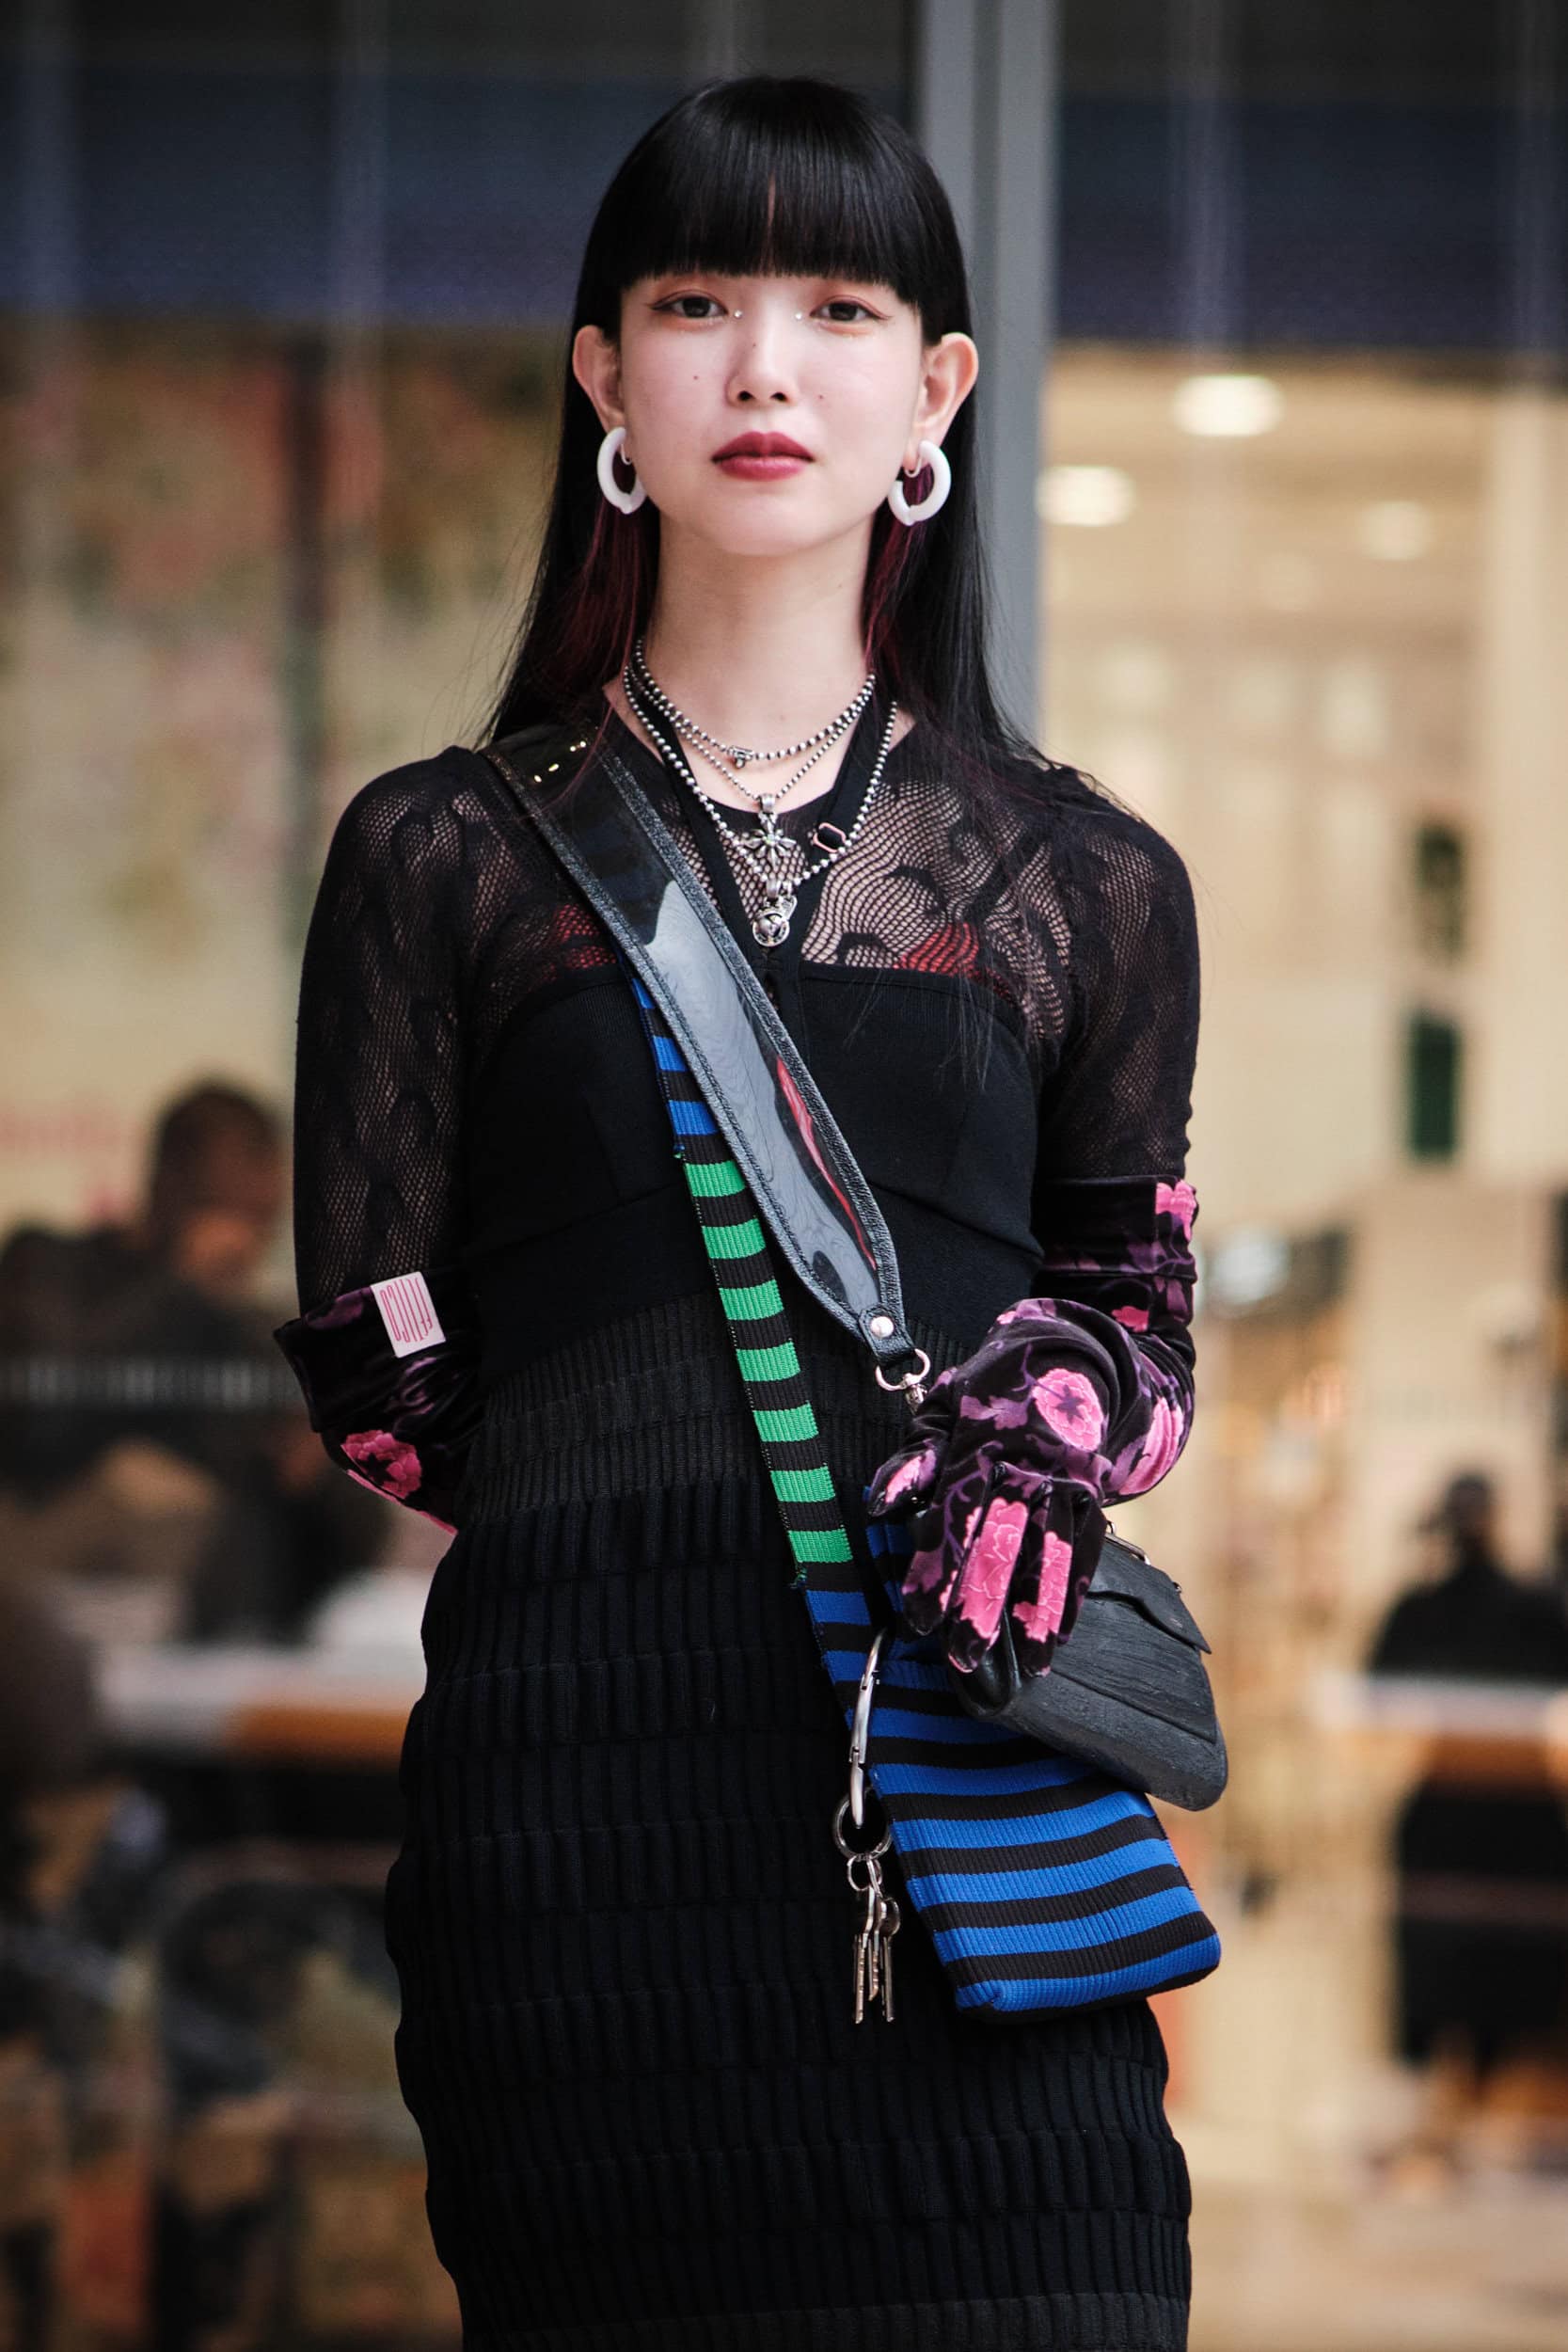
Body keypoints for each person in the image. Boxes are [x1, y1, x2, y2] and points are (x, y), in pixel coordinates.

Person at [277, 75, 1207, 2351]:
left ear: (935, 392)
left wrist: (1015, 1448)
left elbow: (1133, 1307)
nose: (765, 363)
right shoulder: (442, 853)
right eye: (696, 302)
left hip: (963, 1778)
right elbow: (378, 1354)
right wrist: (616, 1494)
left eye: (839, 307)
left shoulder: (1083, 878)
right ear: (604, 377)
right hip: (581, 1798)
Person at [0, 1080, 386, 1642]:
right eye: (219, 1210)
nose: (239, 1243)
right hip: (46, 1617)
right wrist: (182, 1288)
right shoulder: (49, 1267)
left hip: (212, 1643)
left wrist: (325, 1467)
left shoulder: (262, 1333)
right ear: (166, 1183)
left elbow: (351, 1547)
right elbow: (37, 1424)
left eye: (259, 1222)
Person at [1367, 1469, 1568, 2181]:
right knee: (1460, 1973)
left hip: (1488, 1821)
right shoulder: (1511, 1607)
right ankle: (1458, 2119)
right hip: (1490, 1820)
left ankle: (1477, 2119)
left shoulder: (1440, 1609)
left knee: (1487, 1974)